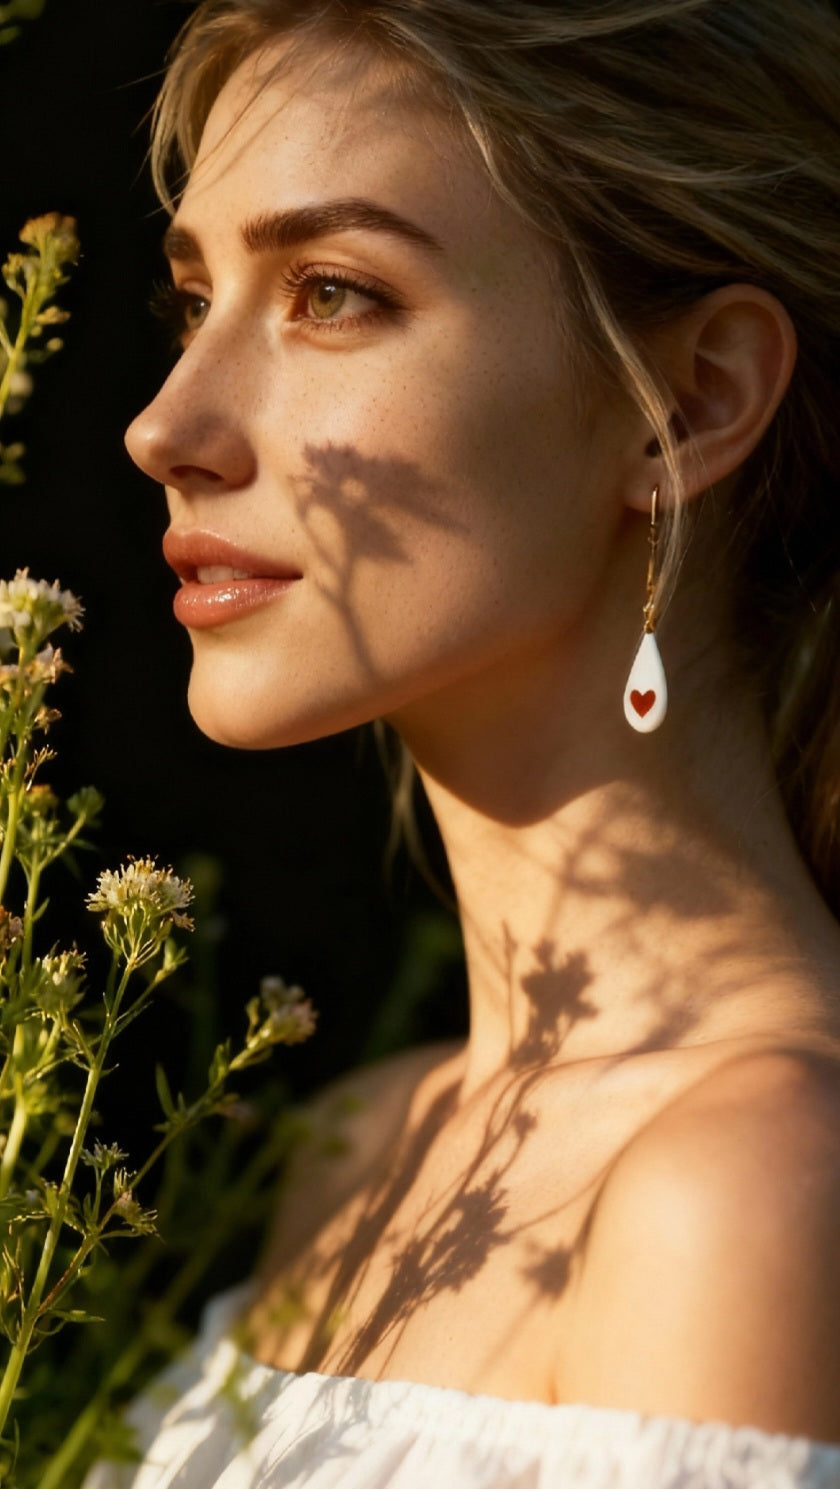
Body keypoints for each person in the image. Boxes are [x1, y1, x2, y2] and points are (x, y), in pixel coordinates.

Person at [87, 0, 840, 1483]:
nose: (167, 423)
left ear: (684, 403)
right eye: (195, 301)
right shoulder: (357, 1146)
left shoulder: (753, 1187)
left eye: (332, 293)